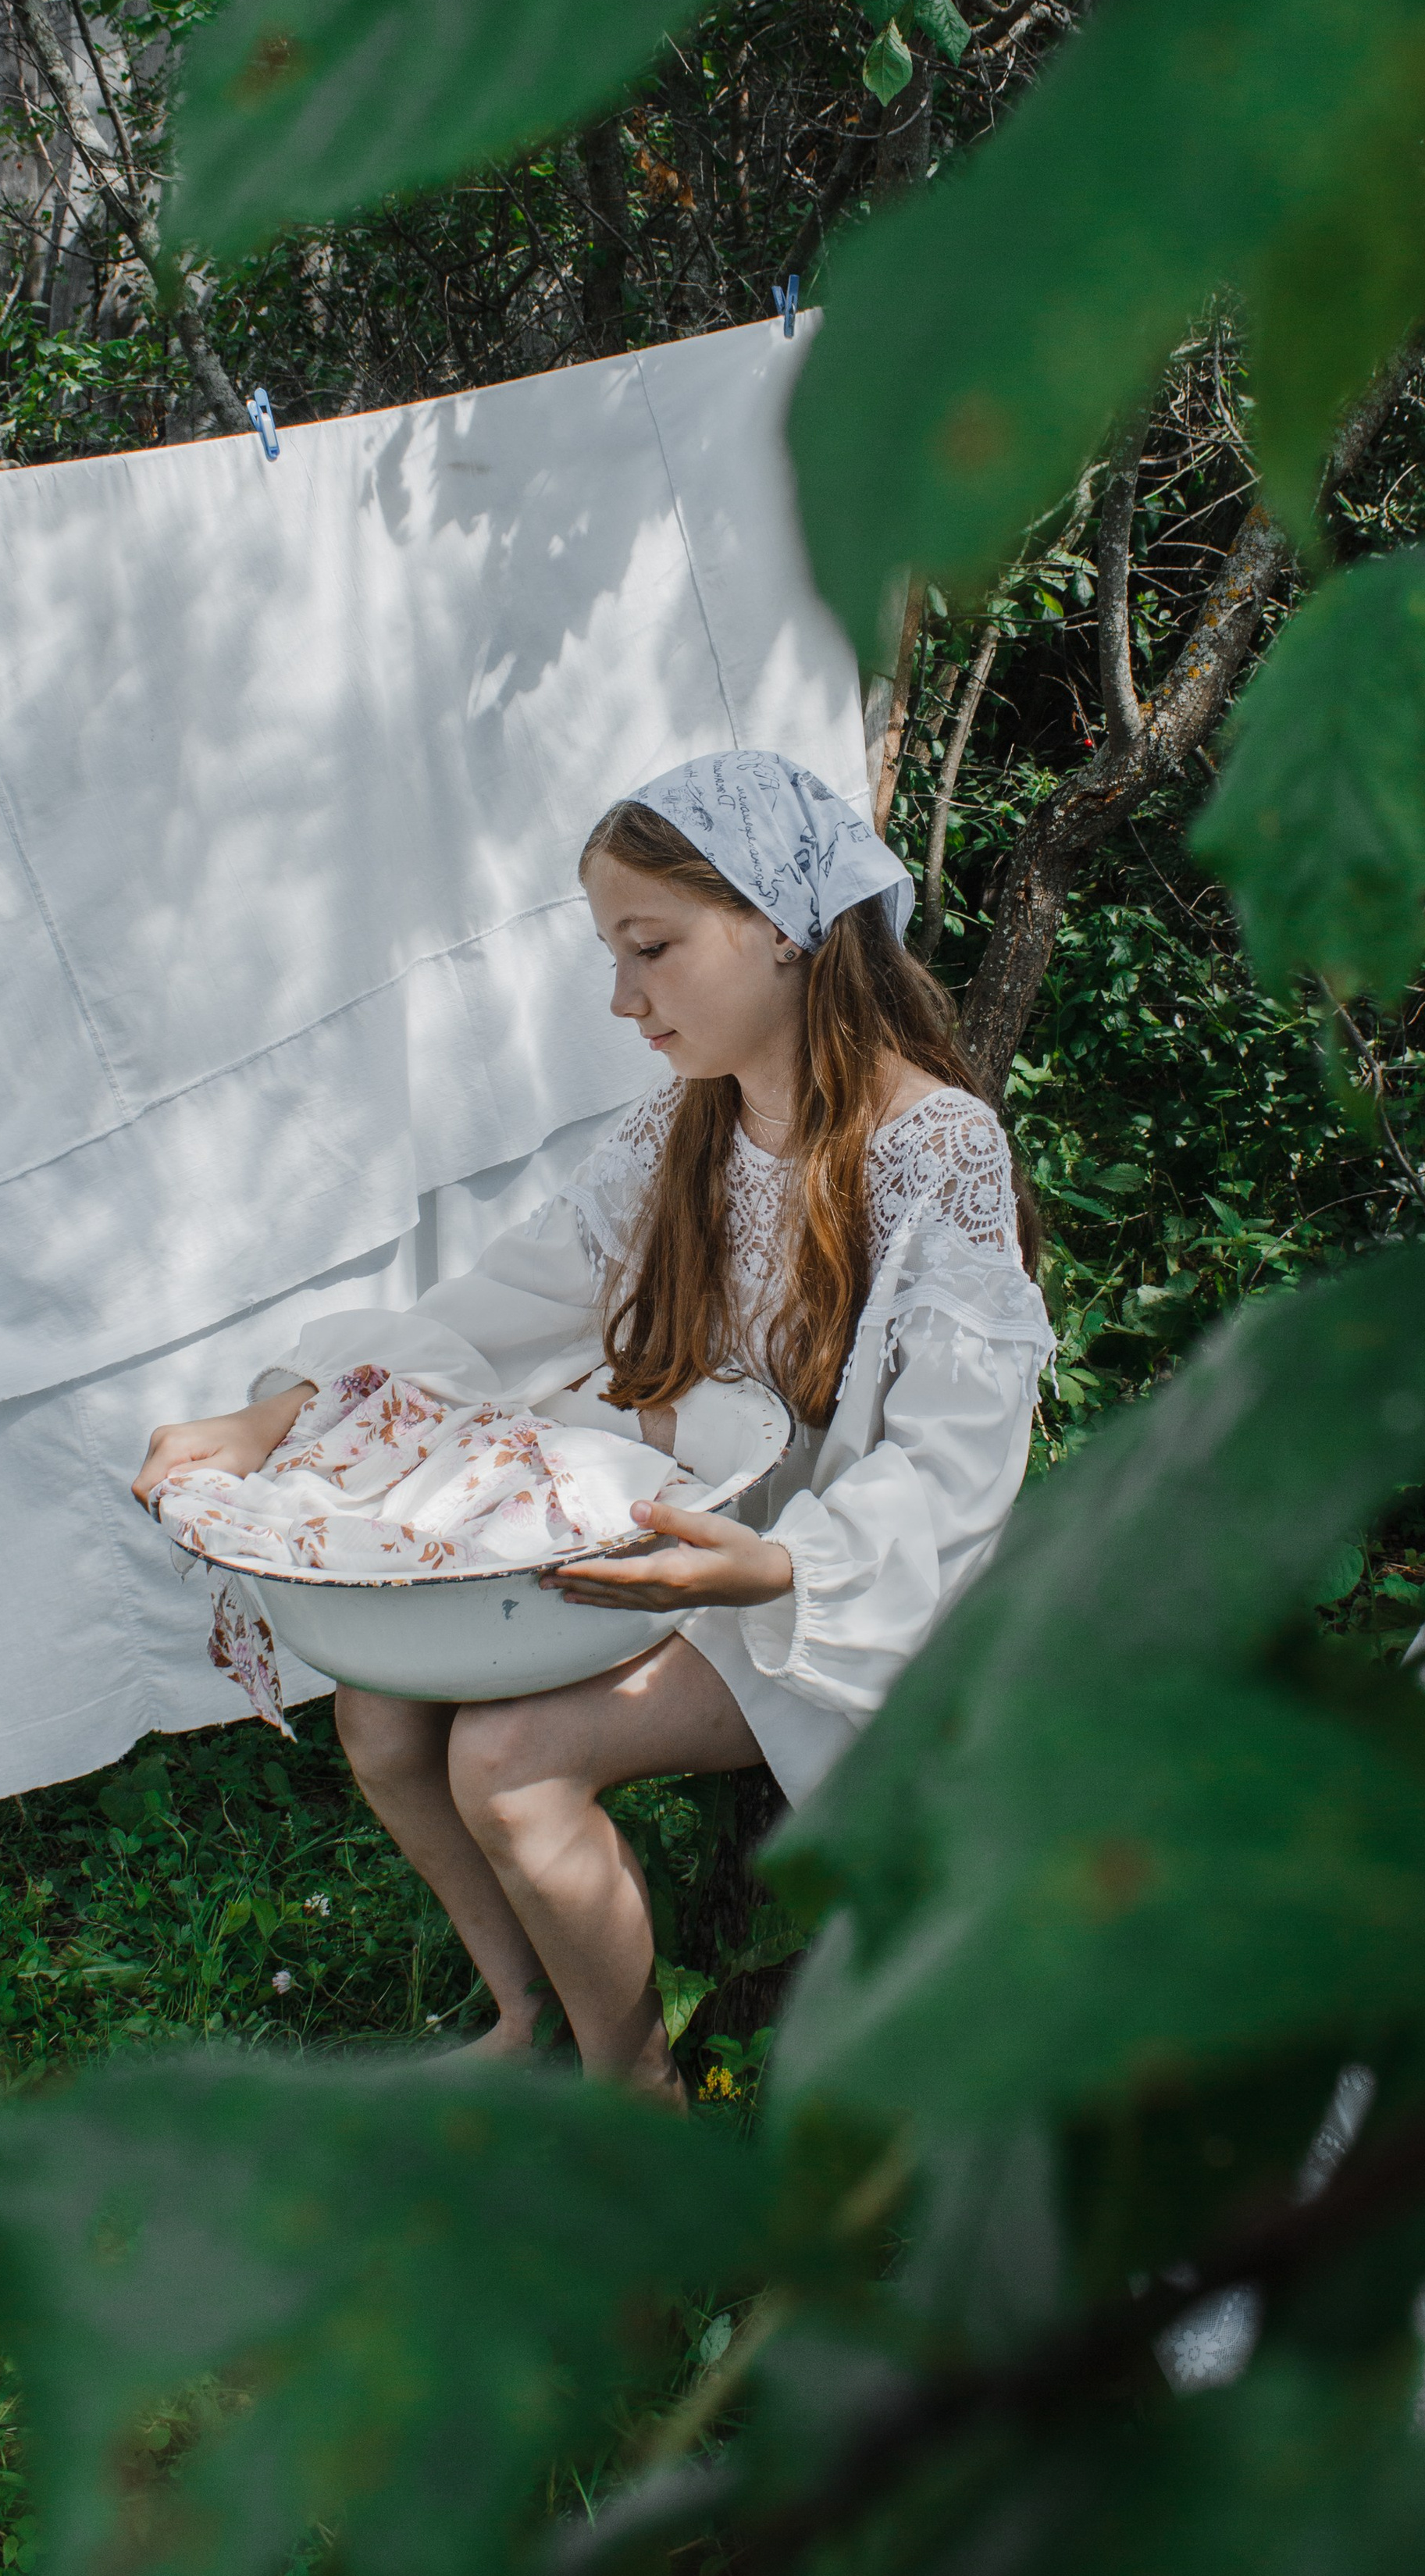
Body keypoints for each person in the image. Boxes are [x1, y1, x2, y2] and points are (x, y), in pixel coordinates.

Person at [133, 750, 1053, 2099]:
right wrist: (280, 1412)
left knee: (511, 1757)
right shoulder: (683, 1128)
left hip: (824, 1570)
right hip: (684, 1509)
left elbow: (957, 1454)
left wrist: (785, 1564)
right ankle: (526, 2021)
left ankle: (641, 2103)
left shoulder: (935, 1148)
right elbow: (513, 1300)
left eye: (654, 948)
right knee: (383, 1716)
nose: (624, 998)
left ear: (785, 927)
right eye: (614, 954)